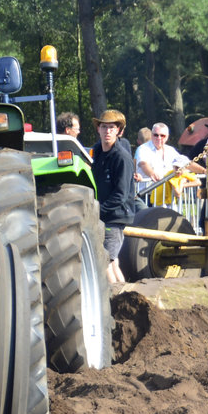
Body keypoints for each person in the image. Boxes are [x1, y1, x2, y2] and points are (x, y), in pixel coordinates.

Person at [91, 109, 135, 285]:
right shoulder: (96, 152)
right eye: (104, 127)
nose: (107, 131)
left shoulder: (122, 157)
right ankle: (126, 296)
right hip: (104, 216)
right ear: (98, 129)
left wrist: (97, 211)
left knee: (105, 263)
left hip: (114, 217)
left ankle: (115, 300)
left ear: (119, 131)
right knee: (113, 262)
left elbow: (121, 195)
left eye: (111, 127)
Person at [135, 122, 204, 201]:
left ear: (167, 137)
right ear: (151, 135)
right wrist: (152, 173)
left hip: (167, 196)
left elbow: (187, 163)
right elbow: (143, 164)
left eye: (162, 135)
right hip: (147, 195)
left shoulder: (171, 150)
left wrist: (204, 171)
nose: (159, 138)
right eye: (156, 135)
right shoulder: (143, 149)